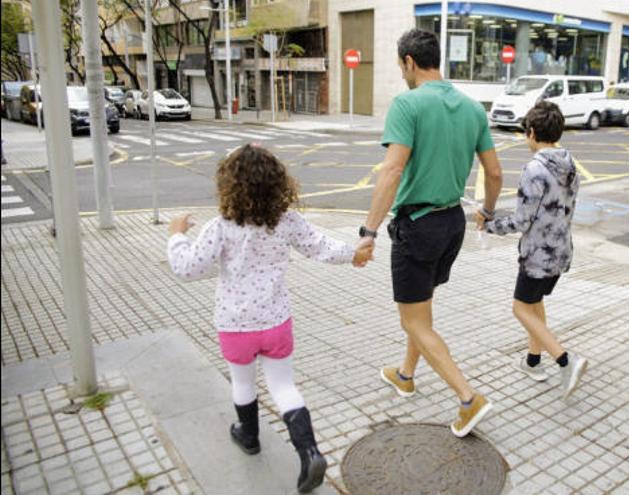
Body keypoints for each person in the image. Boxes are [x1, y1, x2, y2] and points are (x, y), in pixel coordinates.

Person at [166, 144, 371, 493]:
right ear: (278, 184)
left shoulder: (221, 227)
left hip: (234, 325)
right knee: (284, 387)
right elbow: (319, 246)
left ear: (229, 185)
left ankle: (249, 437)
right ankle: (309, 453)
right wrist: (353, 255)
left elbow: (187, 268)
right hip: (276, 322)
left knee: (243, 384)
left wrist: (175, 235)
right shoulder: (287, 221)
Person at [357, 29, 503, 438]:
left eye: (400, 66)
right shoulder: (473, 108)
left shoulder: (407, 103)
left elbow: (392, 169)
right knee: (420, 308)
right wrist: (487, 213)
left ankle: (469, 399)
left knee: (414, 319)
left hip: (417, 226)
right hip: (452, 223)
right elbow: (494, 172)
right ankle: (405, 375)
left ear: (408, 62)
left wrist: (369, 231)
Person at [476, 101, 588, 400]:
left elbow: (523, 220)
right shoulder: (570, 163)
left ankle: (566, 361)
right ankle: (533, 361)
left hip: (537, 255)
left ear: (533, 132)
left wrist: (489, 225)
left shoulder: (535, 168)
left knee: (520, 308)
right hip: (561, 252)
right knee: (535, 304)